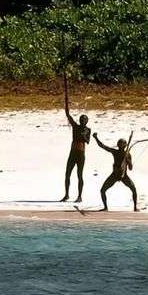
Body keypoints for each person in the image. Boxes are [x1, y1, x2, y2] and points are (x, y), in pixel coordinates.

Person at [60, 75, 90, 203]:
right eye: (81, 120)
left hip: (81, 153)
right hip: (73, 152)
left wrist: (83, 134)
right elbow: (68, 115)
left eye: (84, 120)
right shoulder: (75, 126)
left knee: (79, 175)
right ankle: (66, 195)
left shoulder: (88, 130)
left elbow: (88, 141)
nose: (83, 121)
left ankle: (79, 196)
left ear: (86, 121)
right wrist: (66, 102)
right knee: (67, 174)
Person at [94, 133, 138, 211]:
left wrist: (128, 161)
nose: (121, 145)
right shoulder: (115, 152)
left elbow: (130, 168)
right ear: (118, 145)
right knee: (102, 190)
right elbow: (103, 146)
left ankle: (135, 207)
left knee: (133, 189)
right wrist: (96, 138)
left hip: (123, 175)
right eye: (119, 144)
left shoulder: (127, 154)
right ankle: (105, 207)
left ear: (125, 145)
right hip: (115, 174)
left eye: (122, 144)